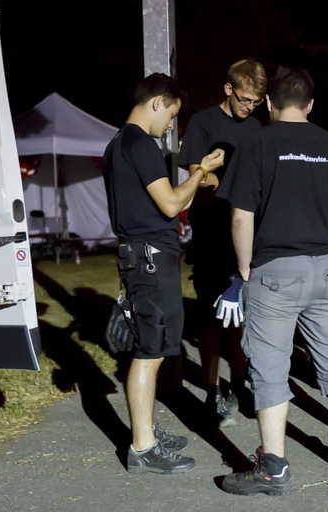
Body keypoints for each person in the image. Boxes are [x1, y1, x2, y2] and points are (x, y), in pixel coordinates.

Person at [217, 66, 328, 495]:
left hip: (275, 271)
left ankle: (274, 468)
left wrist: (244, 268)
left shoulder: (257, 143)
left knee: (269, 367)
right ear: (310, 104)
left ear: (268, 102)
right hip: (325, 269)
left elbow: (241, 215)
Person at [103, 73, 225, 474]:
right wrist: (201, 171)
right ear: (157, 102)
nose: (172, 124)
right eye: (172, 114)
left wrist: (196, 178)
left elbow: (165, 203)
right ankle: (142, 447)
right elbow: (172, 204)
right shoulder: (140, 144)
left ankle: (146, 431)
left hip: (144, 257)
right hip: (149, 260)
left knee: (152, 350)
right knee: (149, 352)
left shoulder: (118, 143)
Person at [177, 59, 267, 427]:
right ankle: (213, 390)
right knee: (212, 318)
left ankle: (240, 385)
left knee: (243, 316)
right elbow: (196, 179)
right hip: (212, 231)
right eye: (245, 99)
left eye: (256, 102)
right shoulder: (203, 123)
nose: (250, 107)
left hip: (248, 235)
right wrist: (228, 185)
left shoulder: (257, 127)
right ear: (229, 89)